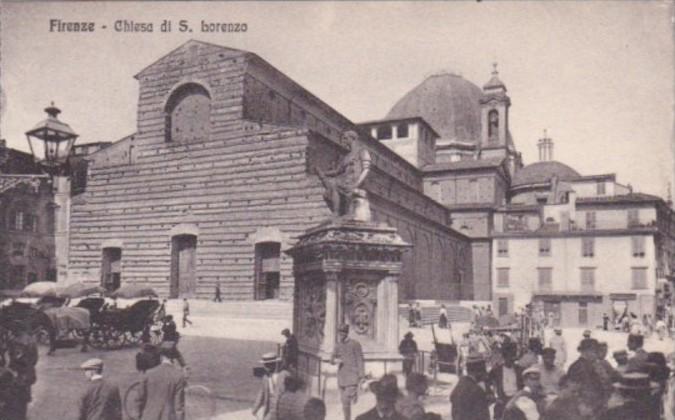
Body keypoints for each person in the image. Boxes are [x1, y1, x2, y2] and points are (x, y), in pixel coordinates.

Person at [314, 130, 371, 219]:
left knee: (335, 184)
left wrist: (357, 184)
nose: (343, 141)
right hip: (346, 180)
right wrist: (322, 172)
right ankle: (337, 213)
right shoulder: (347, 156)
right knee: (329, 189)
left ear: (353, 139)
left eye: (345, 138)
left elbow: (366, 169)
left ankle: (342, 213)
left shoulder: (362, 151)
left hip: (355, 181)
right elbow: (338, 171)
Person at [134, 346, 186, 420]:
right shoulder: (178, 376)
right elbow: (179, 406)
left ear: (161, 357)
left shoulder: (149, 373)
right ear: (173, 359)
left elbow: (139, 399)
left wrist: (137, 417)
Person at [331, 324, 365, 420]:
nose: (341, 335)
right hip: (341, 378)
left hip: (352, 377)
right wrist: (336, 360)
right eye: (340, 333)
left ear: (347, 333)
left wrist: (361, 376)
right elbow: (331, 359)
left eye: (343, 333)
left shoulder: (355, 344)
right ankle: (353, 397)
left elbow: (360, 360)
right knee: (344, 402)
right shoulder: (338, 345)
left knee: (345, 401)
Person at [566, 338, 606, 416]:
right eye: (595, 351)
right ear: (587, 351)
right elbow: (573, 391)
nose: (597, 355)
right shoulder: (578, 367)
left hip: (595, 407)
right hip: (584, 409)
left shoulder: (592, 365)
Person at [7, 330, 38, 420]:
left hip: (19, 374)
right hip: (28, 372)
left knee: (17, 398)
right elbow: (35, 359)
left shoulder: (16, 342)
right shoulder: (31, 340)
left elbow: (15, 359)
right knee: (23, 398)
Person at [450, 355, 491, 420]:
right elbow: (483, 417)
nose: (485, 373)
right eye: (483, 370)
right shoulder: (477, 391)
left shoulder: (459, 386)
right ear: (478, 371)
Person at [488, 346, 524, 420]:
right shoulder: (497, 370)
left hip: (517, 398)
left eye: (513, 357)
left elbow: (523, 385)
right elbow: (487, 382)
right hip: (503, 398)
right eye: (509, 357)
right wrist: (494, 397)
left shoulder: (519, 369)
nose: (511, 360)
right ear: (505, 357)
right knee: (498, 409)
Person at [252, 352, 291, 420]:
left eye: (269, 364)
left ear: (275, 364)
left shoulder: (285, 375)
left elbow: (288, 394)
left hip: (281, 408)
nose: (266, 366)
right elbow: (262, 394)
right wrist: (255, 409)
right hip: (270, 407)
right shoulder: (265, 377)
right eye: (265, 364)